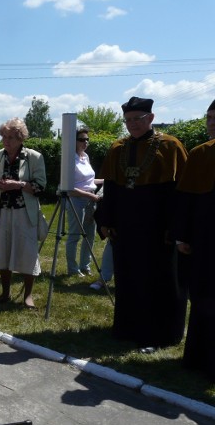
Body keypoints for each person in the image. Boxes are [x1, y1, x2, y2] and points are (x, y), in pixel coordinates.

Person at [97, 96, 188, 351]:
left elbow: (180, 191)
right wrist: (106, 220)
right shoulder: (117, 148)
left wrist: (176, 227)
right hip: (126, 227)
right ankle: (127, 327)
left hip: (158, 227)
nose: (132, 124)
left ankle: (159, 334)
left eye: (137, 119)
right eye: (128, 120)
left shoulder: (170, 146)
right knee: (128, 277)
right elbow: (111, 188)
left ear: (151, 118)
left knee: (157, 278)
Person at [175, 99, 215, 380]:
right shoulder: (200, 154)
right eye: (209, 117)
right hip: (205, 238)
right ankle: (199, 359)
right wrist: (182, 236)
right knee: (203, 298)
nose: (211, 122)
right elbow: (185, 200)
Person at [0, 118, 46, 309]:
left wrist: (18, 185)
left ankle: (28, 295)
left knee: (27, 252)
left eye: (11, 137)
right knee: (2, 251)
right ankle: (5, 293)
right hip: (3, 210)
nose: (6, 141)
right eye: (4, 136)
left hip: (24, 211)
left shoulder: (34, 157)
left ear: (21, 138)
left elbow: (41, 186)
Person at [65, 127, 103, 277]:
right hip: (77, 200)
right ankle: (73, 269)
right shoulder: (69, 160)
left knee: (90, 234)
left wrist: (107, 180)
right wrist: (91, 197)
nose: (85, 142)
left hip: (91, 199)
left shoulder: (85, 157)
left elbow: (88, 181)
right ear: (73, 141)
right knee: (75, 235)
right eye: (81, 139)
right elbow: (69, 188)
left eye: (87, 139)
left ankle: (85, 266)